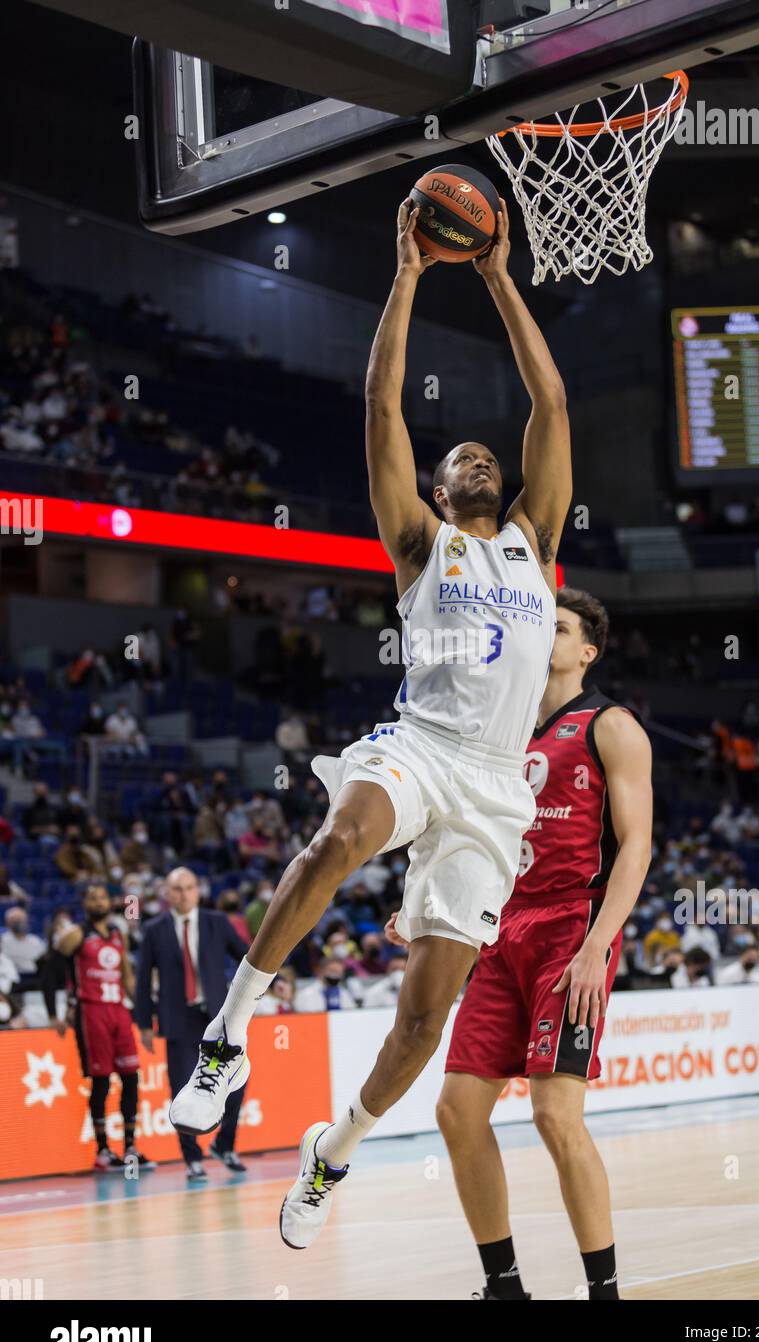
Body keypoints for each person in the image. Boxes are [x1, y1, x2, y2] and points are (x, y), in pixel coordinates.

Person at [169, 196, 571, 1252]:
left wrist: (491, 276)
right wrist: (407, 268)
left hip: (494, 786)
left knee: (425, 1016)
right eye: (463, 459)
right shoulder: (418, 544)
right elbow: (380, 402)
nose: (482, 457)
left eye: (492, 455)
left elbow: (552, 405)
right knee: (336, 836)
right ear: (437, 491)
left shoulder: (532, 537)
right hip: (421, 744)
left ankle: (333, 1149)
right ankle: (226, 1036)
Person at [412, 589, 653, 1300]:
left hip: (570, 927)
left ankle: (604, 1290)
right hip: (500, 928)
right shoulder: (500, 729)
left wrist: (596, 946)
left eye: (564, 628)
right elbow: (460, 832)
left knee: (554, 1113)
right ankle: (504, 1285)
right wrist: (423, 904)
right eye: (541, 623)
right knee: (456, 1111)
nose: (547, 635)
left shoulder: (611, 726)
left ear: (589, 650)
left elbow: (636, 848)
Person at [134, 867, 249, 1180]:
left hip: (218, 1016)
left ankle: (224, 1145)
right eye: (176, 889)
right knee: (182, 1089)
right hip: (177, 1018)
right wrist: (144, 1022)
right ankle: (191, 1159)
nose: (183, 894)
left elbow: (247, 956)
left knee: (237, 1083)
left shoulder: (217, 922)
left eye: (188, 887)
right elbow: (142, 980)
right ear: (167, 894)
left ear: (197, 890)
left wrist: (268, 983)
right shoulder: (154, 930)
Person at [41, 883, 154, 1173]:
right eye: (92, 897)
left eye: (102, 896)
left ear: (110, 902)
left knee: (131, 1077)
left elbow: (127, 978)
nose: (98, 901)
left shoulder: (118, 934)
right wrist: (54, 1011)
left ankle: (130, 1147)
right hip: (91, 1012)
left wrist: (143, 1015)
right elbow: (50, 968)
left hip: (118, 1011)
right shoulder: (77, 934)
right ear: (85, 905)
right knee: (101, 1081)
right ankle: (103, 1150)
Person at [0, 906, 46, 989]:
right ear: (8, 923)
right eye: (15, 920)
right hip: (11, 981)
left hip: (35, 980)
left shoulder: (36, 941)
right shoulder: (2, 941)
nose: (19, 923)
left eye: (22, 919)